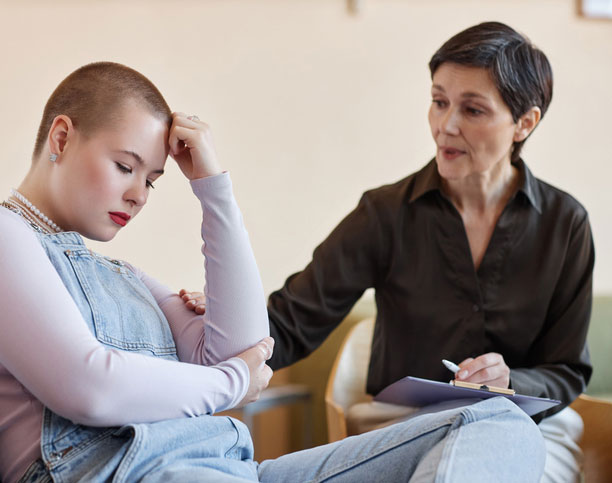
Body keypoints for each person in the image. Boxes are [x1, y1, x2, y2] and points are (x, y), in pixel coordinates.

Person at [0, 61, 546, 483]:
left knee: (496, 419)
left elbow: (246, 348)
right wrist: (228, 386)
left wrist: (213, 187)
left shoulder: (121, 275)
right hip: (130, 474)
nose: (139, 193)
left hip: (232, 468)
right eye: (125, 165)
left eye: (154, 179)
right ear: (60, 136)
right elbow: (91, 388)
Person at [182, 21, 593, 482]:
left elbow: (566, 370)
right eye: (439, 102)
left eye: (472, 110)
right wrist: (223, 323)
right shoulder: (384, 213)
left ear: (524, 123)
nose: (445, 125)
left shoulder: (566, 225)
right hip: (403, 425)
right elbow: (294, 319)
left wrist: (513, 382)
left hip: (531, 426)